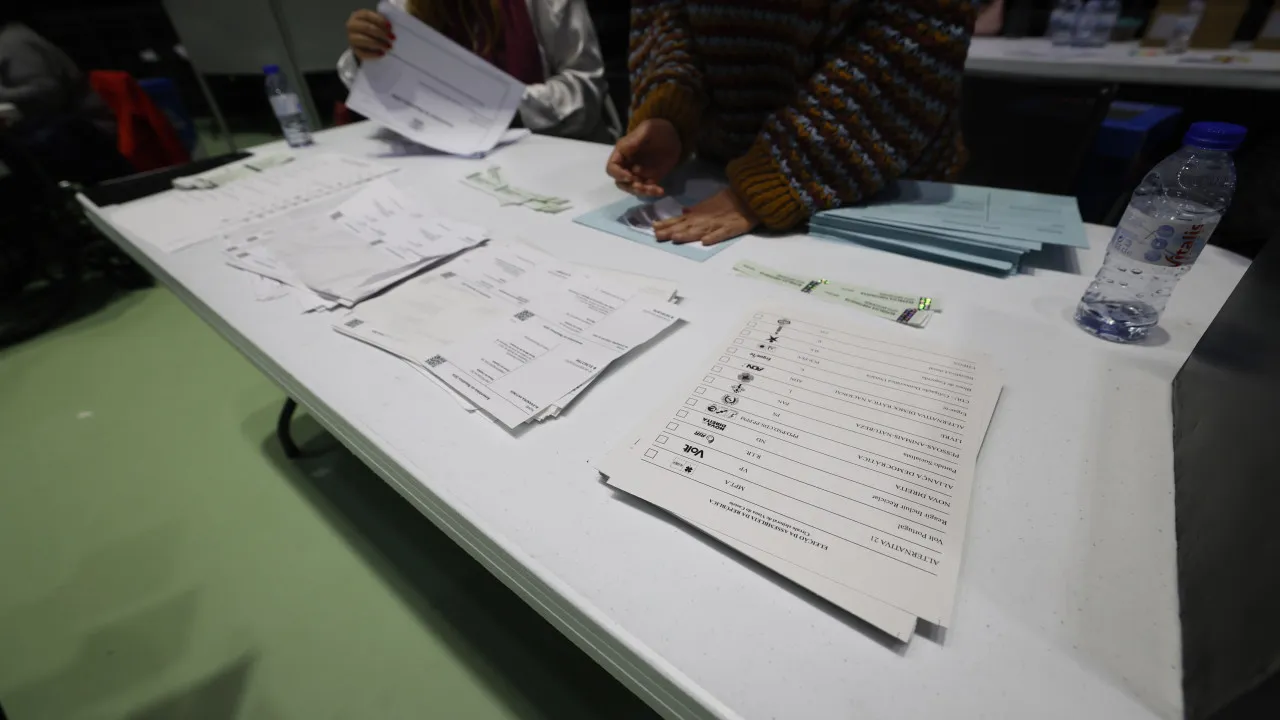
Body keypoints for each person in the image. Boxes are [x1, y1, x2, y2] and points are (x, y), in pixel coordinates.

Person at [608, 0, 975, 246]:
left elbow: (915, 37)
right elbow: (669, 15)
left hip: (879, 183)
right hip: (718, 179)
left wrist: (782, 172)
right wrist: (672, 111)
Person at [340, 0, 619, 142]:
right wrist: (368, 55)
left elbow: (585, 88)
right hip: (446, 156)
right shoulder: (406, 4)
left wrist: (498, 107)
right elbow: (393, 96)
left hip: (550, 151)